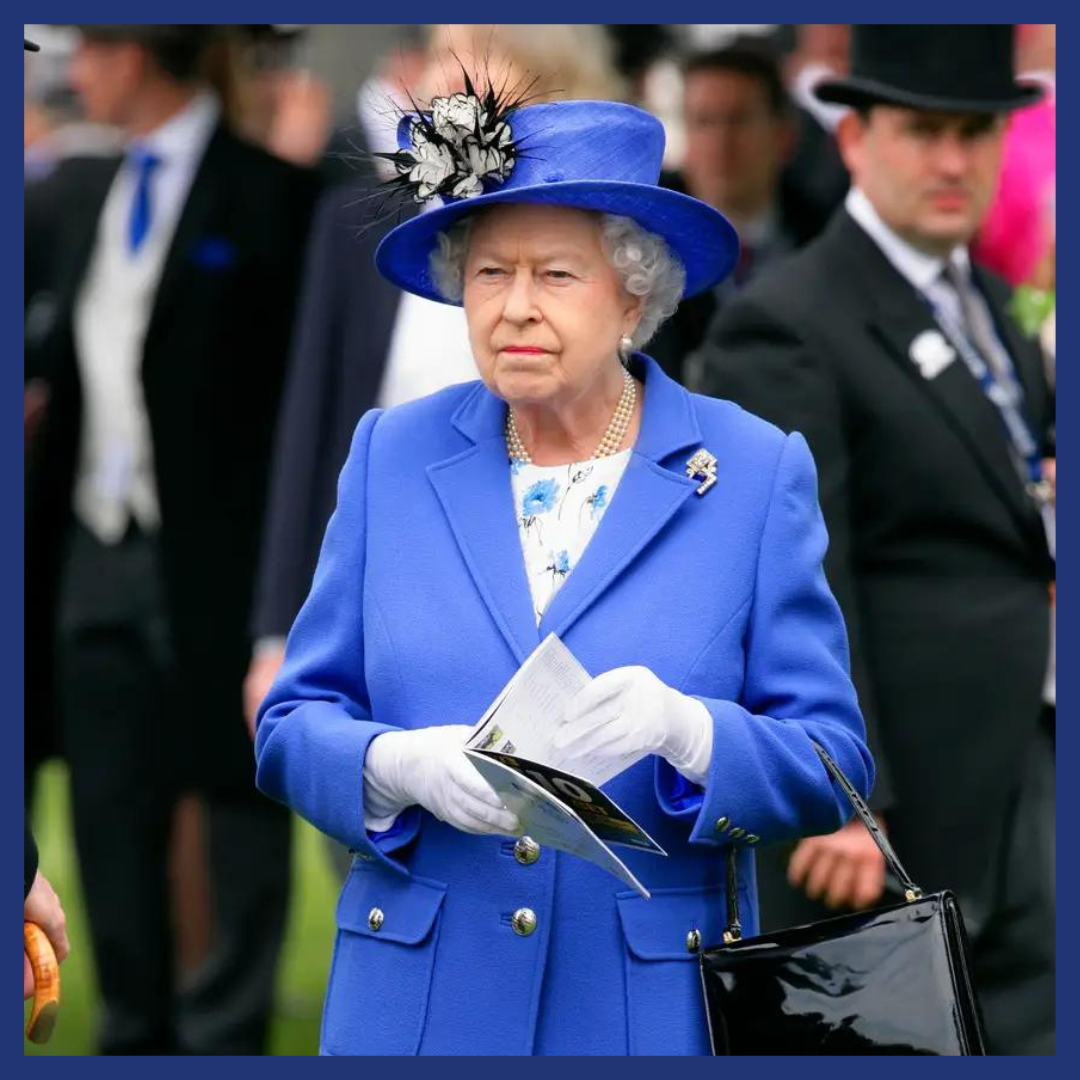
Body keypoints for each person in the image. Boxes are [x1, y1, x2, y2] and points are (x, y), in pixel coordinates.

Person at [253, 94, 873, 1056]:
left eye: (555, 273)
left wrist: (693, 732)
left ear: (633, 294)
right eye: (490, 271)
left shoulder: (751, 473)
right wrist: (392, 766)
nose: (514, 308)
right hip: (418, 1009)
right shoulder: (393, 454)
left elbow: (833, 758)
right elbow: (292, 726)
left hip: (641, 1013)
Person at [689, 25, 1054, 1054]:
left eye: (976, 133)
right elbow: (798, 576)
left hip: (1020, 765)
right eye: (922, 130)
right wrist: (843, 798)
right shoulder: (790, 320)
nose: (953, 161)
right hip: (891, 817)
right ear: (852, 138)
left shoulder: (984, 301)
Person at [24, 24, 318, 1054]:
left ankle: (225, 1037)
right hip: (92, 562)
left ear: (139, 53)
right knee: (107, 822)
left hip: (221, 576)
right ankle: (131, 1034)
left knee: (236, 824)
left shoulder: (276, 197)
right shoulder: (75, 197)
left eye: (92, 47)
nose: (76, 71)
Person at [650, 44, 815, 382]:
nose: (720, 143)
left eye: (738, 120)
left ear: (784, 136)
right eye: (703, 122)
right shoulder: (644, 242)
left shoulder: (825, 236)